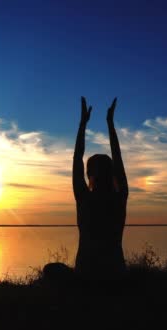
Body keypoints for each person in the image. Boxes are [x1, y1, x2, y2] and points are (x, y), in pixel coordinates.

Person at [44, 97, 128, 281]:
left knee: (50, 270)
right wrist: (110, 124)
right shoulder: (119, 197)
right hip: (115, 275)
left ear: (89, 173)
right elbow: (118, 157)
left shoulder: (84, 198)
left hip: (86, 275)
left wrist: (83, 124)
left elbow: (77, 158)